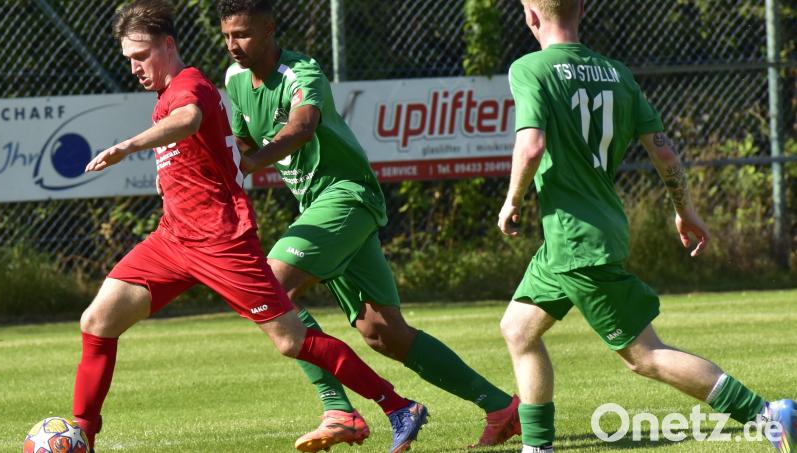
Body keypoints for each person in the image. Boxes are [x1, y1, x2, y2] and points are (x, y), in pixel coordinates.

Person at [72, 2, 428, 452]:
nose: (135, 67)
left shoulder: (191, 86)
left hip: (221, 242)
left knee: (291, 341)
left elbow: (189, 120)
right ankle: (81, 436)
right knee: (98, 320)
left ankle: (398, 406)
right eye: (128, 59)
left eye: (141, 56)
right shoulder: (164, 96)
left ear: (168, 45)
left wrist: (128, 146)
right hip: (173, 239)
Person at [217, 0, 521, 451]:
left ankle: (338, 410)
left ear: (268, 28)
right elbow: (242, 142)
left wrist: (248, 162)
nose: (233, 45)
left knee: (268, 289)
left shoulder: (303, 72)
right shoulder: (235, 79)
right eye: (226, 36)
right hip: (317, 207)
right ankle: (501, 407)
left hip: (346, 194)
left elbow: (301, 128)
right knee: (384, 333)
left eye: (242, 34)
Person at [497, 1, 796, 452]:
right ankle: (537, 447)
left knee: (645, 355)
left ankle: (767, 413)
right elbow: (666, 154)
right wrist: (685, 209)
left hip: (577, 242)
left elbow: (531, 146)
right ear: (581, 10)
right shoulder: (617, 74)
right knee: (518, 329)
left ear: (531, 17)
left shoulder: (530, 68)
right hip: (582, 235)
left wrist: (511, 200)